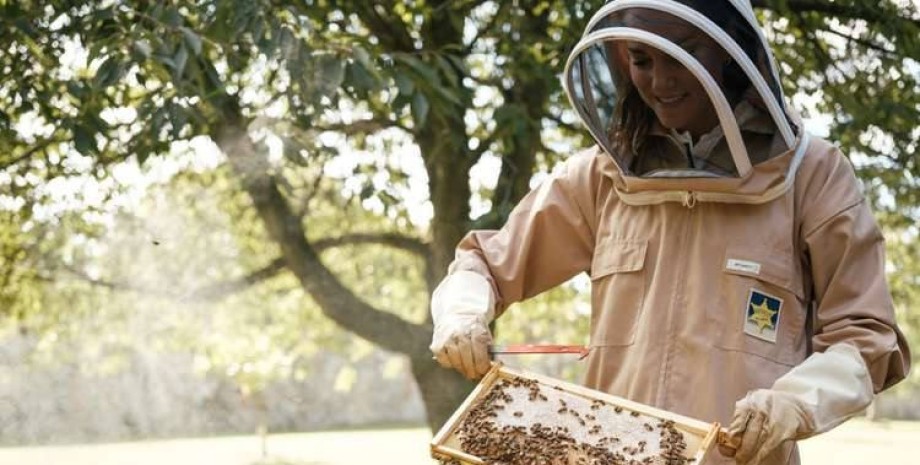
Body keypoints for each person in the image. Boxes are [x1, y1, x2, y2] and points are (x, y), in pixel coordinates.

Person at [429, 1, 911, 465]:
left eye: (683, 55)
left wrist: (797, 401)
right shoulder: (600, 178)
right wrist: (462, 314)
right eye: (642, 60)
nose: (660, 81)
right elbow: (484, 264)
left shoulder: (813, 177)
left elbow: (867, 338)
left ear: (728, 50)